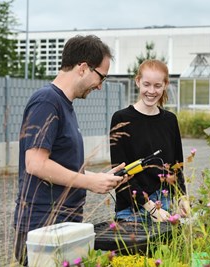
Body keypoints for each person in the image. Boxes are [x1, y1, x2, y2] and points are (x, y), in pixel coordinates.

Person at [13, 35, 125, 266]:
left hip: (62, 224)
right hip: (43, 225)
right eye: (101, 76)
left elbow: (62, 169)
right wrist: (89, 183)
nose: (100, 85)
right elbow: (35, 163)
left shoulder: (64, 105)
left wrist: (100, 178)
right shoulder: (46, 101)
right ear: (83, 68)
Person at [110, 59, 190, 223]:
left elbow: (177, 166)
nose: (151, 91)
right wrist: (150, 207)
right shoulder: (121, 118)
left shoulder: (170, 120)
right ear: (138, 81)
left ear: (165, 85)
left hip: (164, 205)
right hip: (131, 210)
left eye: (157, 86)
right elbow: (120, 173)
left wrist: (182, 198)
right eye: (146, 84)